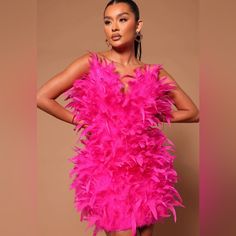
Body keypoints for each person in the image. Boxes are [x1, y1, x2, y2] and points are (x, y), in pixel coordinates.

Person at [37, 0, 199, 236]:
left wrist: (154, 113)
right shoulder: (92, 63)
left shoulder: (152, 72)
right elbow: (42, 97)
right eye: (107, 21)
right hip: (108, 169)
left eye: (122, 19)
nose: (114, 27)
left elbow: (193, 112)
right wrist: (77, 119)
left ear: (138, 25)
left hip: (145, 169)